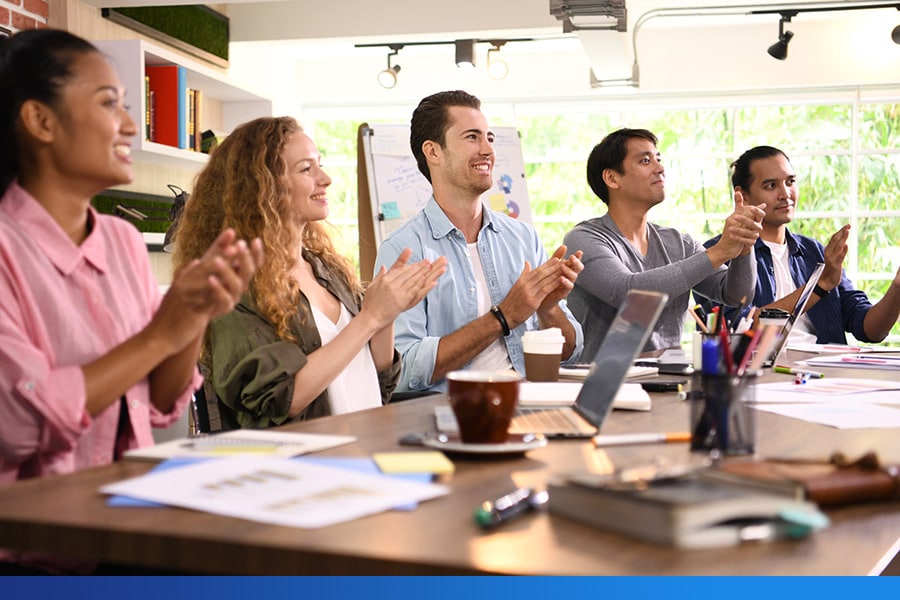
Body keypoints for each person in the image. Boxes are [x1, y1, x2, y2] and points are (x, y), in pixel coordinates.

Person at [0, 29, 262, 572]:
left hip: (127, 530)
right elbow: (20, 424)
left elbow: (160, 397)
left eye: (128, 103)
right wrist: (161, 333)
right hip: (32, 557)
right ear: (40, 121)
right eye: (108, 103)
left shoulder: (119, 239)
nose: (128, 123)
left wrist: (193, 317)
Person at [173, 116, 446, 429]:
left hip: (366, 448)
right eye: (306, 169)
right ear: (263, 187)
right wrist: (369, 318)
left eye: (320, 164)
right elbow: (282, 398)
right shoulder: (234, 285)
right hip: (303, 467)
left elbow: (378, 379)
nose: (326, 178)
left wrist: (387, 315)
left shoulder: (326, 268)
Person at [374, 90, 584, 394]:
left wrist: (548, 310)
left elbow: (570, 352)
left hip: (529, 400)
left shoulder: (523, 238)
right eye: (472, 137)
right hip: (452, 413)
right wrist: (504, 316)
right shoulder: (403, 249)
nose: (487, 150)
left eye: (490, 138)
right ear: (433, 152)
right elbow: (403, 369)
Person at [563, 128, 764, 356]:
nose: (660, 168)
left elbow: (737, 295)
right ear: (612, 178)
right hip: (603, 383)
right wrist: (719, 252)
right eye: (645, 160)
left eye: (659, 159)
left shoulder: (680, 243)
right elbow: (628, 294)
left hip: (668, 379)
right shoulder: (583, 238)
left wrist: (744, 245)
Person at [704, 145, 900, 345]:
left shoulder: (814, 251)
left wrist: (897, 286)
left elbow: (870, 330)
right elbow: (739, 329)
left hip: (824, 372)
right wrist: (819, 286)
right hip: (761, 373)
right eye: (771, 186)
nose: (785, 194)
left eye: (790, 182)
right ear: (742, 195)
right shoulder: (717, 255)